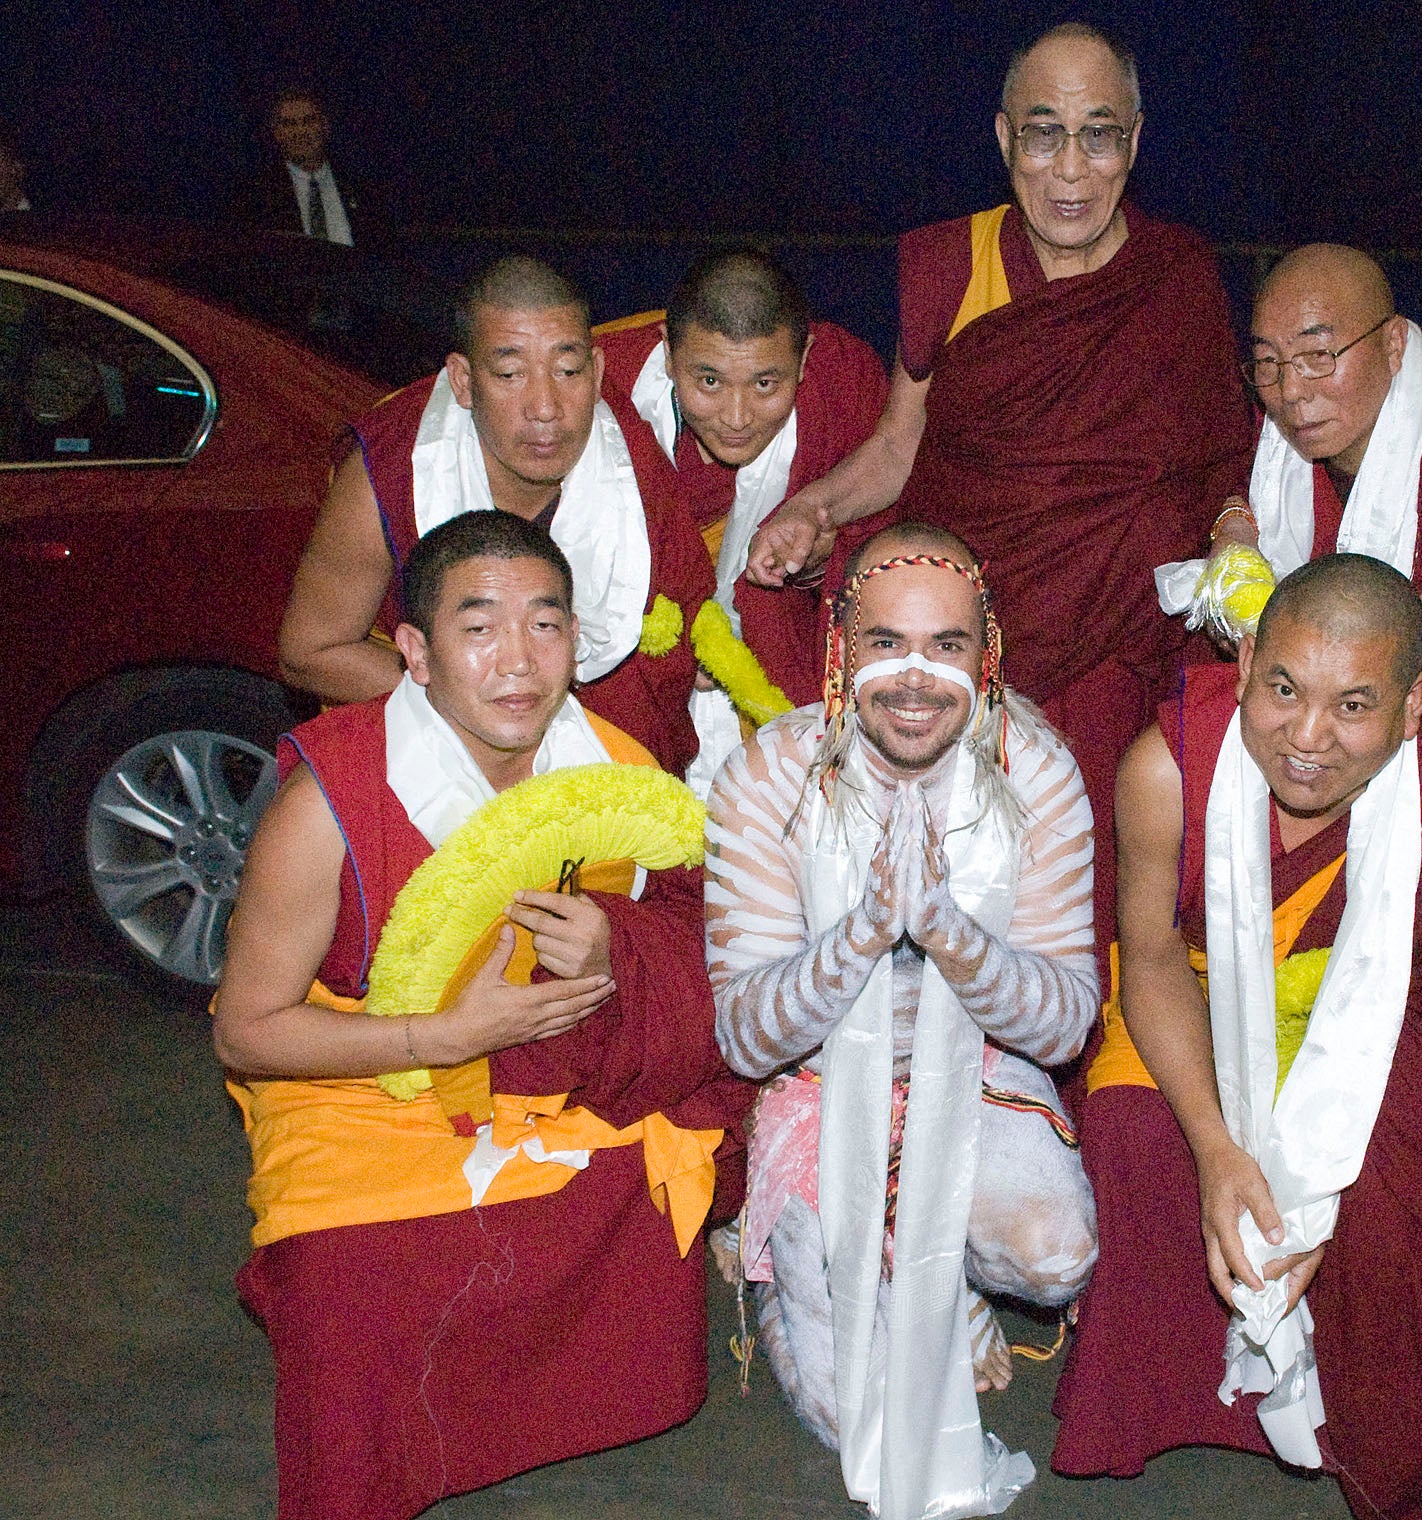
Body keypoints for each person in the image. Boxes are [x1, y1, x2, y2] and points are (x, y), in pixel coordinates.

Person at [213, 512, 752, 1520]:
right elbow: (247, 1029)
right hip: (361, 1067)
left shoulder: (614, 761)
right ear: (412, 652)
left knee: (668, 1158)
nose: (518, 660)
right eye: (479, 626)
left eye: (545, 624)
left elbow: (703, 931)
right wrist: (442, 1037)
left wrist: (616, 946)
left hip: (549, 1059)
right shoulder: (328, 799)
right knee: (348, 1281)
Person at [1050, 555, 1422, 1519]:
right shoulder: (1168, 768)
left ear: (1414, 706)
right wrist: (1217, 1149)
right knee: (1132, 1128)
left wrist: (1318, 1187)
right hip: (1203, 999)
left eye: (1354, 706)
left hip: (1391, 1038)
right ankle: (1171, 1406)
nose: (1308, 740)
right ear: (1242, 665)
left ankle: (1366, 1427)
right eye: (1283, 689)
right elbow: (1152, 963)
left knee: (1406, 1193)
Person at [744, 22, 1254, 959]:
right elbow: (901, 446)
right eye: (1042, 132)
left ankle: (1058, 1048)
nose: (1069, 168)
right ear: (1003, 139)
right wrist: (813, 507)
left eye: (1098, 135)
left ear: (1135, 142)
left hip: (1115, 636)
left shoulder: (1177, 277)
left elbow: (1220, 459)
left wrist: (1234, 534)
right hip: (968, 617)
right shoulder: (954, 263)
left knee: (1076, 866)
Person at [705, 522, 1099, 1518]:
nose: (916, 677)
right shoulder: (767, 773)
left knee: (1053, 1254)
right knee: (865, 1427)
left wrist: (950, 933)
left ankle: (942, 1273)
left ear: (987, 651)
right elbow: (746, 1038)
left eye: (947, 645)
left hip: (977, 1074)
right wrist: (867, 929)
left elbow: (1062, 1028)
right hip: (818, 1093)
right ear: (839, 651)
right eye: (885, 642)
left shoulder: (1037, 773)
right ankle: (817, 1262)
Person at [278, 254, 714, 772]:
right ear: (462, 380)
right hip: (454, 767)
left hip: (617, 777)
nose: (545, 407)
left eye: (568, 370)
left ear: (597, 372)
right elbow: (309, 651)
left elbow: (676, 651)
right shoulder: (398, 467)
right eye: (510, 373)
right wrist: (489, 711)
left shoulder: (631, 462)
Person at [595, 248, 888, 789]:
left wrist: (815, 563)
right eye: (708, 381)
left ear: (804, 360)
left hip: (765, 683)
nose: (735, 417)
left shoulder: (845, 387)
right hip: (625, 688)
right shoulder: (600, 381)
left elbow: (887, 543)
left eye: (764, 385)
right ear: (666, 349)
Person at [1158, 242, 1422, 631]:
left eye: (1319, 356)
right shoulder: (1261, 414)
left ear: (1393, 345)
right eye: (1268, 361)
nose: (1290, 391)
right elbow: (1226, 482)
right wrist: (1234, 530)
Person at [231, 86, 384, 245]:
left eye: (309, 121)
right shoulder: (255, 195)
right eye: (289, 124)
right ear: (277, 133)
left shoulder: (362, 189)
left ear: (325, 126)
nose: (300, 131)